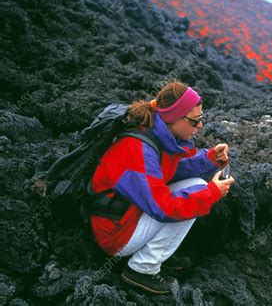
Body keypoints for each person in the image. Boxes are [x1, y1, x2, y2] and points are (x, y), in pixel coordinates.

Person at [89, 81, 235, 294]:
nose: (200, 126)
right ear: (174, 118)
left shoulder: (155, 132)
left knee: (196, 187)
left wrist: (210, 158)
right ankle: (142, 269)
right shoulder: (138, 150)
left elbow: (168, 171)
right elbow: (164, 208)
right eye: (195, 121)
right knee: (198, 194)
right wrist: (212, 193)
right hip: (116, 235)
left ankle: (159, 252)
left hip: (127, 214)